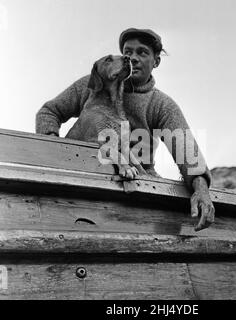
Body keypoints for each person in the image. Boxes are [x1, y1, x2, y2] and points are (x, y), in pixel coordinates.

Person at [36, 28, 215, 231]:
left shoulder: (161, 104)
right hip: (86, 178)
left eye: (142, 52)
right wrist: (52, 149)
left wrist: (201, 188)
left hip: (139, 187)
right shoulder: (93, 84)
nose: (133, 58)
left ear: (156, 61)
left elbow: (187, 151)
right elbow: (48, 112)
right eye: (128, 52)